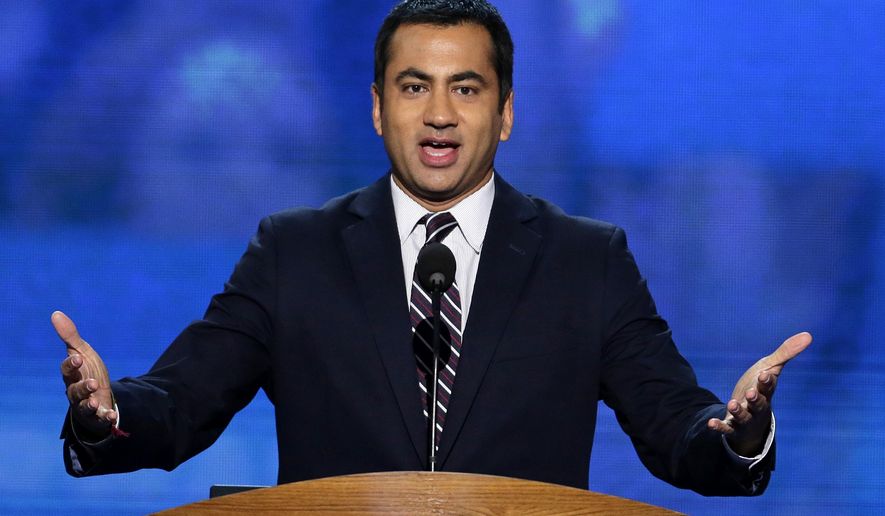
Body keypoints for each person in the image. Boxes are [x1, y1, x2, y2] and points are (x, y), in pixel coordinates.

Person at [56, 0, 811, 496]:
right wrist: (105, 409)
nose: (439, 114)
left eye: (466, 88)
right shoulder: (295, 251)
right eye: (414, 87)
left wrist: (737, 432)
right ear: (378, 108)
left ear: (505, 112)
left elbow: (676, 426)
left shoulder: (587, 260)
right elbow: (182, 402)